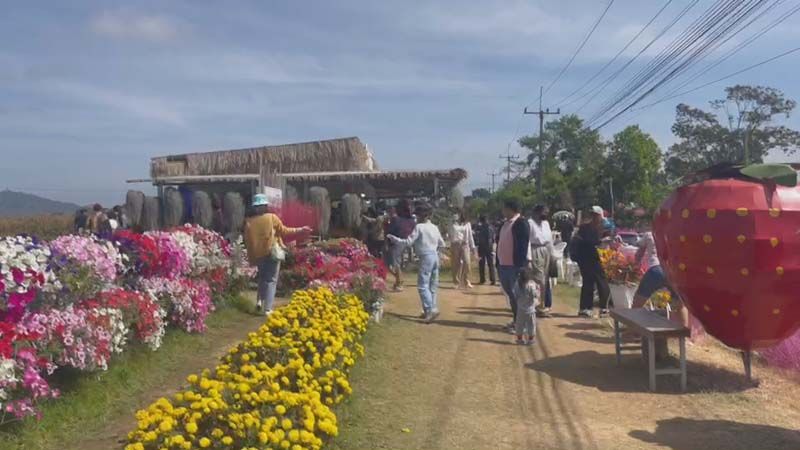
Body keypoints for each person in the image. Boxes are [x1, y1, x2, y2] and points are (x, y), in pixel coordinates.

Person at [244, 194, 312, 315]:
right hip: (272, 253)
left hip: (258, 254)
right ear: (265, 206)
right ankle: (268, 308)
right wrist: (301, 229)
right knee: (271, 280)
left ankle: (259, 301)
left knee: (262, 278)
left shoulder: (249, 221)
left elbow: (248, 241)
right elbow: (284, 230)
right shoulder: (271, 218)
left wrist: (251, 258)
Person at [387, 203, 445, 323]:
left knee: (423, 285)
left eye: (417, 215)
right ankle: (431, 308)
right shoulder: (434, 227)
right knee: (432, 285)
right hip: (435, 256)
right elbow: (442, 244)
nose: (416, 218)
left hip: (425, 257)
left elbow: (408, 242)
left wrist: (394, 239)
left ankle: (430, 309)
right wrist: (439, 254)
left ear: (421, 216)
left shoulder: (419, 227)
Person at [632, 223, 690, 328]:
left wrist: (636, 264)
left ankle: (633, 330)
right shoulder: (676, 235)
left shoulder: (649, 234)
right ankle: (684, 333)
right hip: (673, 271)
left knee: (637, 303)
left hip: (655, 269)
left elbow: (639, 253)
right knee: (680, 305)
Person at [496, 199, 530, 331]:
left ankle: (522, 324)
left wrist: (521, 265)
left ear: (510, 209)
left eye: (504, 208)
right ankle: (517, 320)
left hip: (515, 266)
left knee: (518, 296)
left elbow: (523, 245)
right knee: (511, 295)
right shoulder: (504, 224)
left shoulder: (521, 223)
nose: (502, 211)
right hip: (503, 265)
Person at [575, 206, 611, 318]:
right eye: (593, 215)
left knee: (602, 282)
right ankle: (585, 308)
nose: (594, 217)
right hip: (586, 257)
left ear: (600, 216)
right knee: (588, 282)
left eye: (596, 215)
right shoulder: (585, 227)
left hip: (600, 258)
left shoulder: (605, 227)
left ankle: (604, 307)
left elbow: (609, 240)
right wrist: (599, 241)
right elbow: (585, 241)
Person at [528, 205, 554, 317]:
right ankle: (540, 304)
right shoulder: (530, 223)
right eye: (544, 212)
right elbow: (527, 241)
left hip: (546, 250)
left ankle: (542, 304)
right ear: (537, 212)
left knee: (545, 277)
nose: (545, 215)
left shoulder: (546, 223)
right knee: (539, 278)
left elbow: (550, 240)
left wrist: (552, 254)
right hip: (535, 249)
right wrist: (529, 257)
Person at [386, 200, 416, 291]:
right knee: (397, 263)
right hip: (409, 243)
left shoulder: (396, 219)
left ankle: (399, 282)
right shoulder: (412, 221)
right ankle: (398, 281)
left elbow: (390, 231)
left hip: (397, 243)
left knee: (394, 264)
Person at [448, 211, 476, 289]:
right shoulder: (452, 223)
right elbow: (450, 234)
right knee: (455, 264)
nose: (456, 216)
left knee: (467, 262)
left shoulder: (467, 224)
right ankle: (456, 282)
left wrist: (473, 247)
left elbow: (470, 236)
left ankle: (466, 281)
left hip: (465, 244)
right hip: (455, 244)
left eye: (458, 214)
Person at [514, 269, 539, 345]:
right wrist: (538, 289)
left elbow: (516, 295)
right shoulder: (531, 285)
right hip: (530, 310)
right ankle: (531, 340)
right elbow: (535, 295)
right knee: (531, 325)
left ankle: (519, 339)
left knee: (519, 324)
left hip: (520, 309)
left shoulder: (517, 284)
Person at [475, 215, 496, 285]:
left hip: (482, 247)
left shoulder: (480, 228)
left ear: (481, 220)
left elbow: (478, 238)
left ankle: (482, 279)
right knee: (491, 264)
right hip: (489, 247)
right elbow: (493, 238)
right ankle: (493, 279)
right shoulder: (491, 227)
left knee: (482, 264)